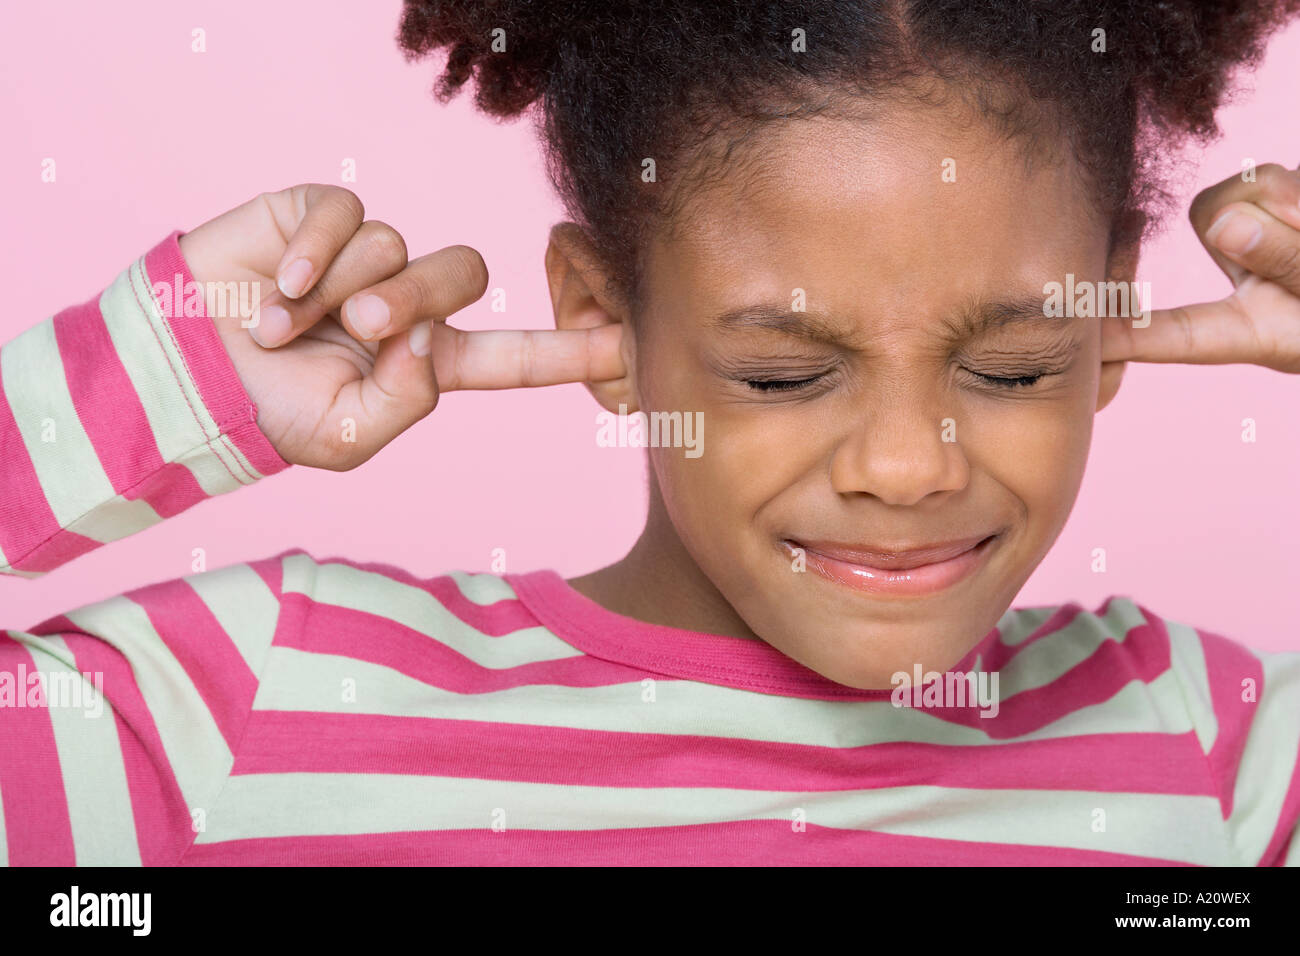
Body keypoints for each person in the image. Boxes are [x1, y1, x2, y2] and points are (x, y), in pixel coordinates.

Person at [3, 0, 1300, 865]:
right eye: (784, 376)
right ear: (600, 315)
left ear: (1110, 310)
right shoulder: (262, 704)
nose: (907, 467)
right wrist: (146, 381)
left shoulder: (1214, 751)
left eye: (1014, 369)